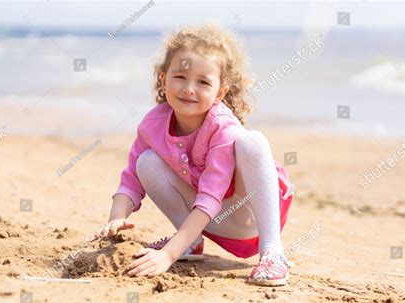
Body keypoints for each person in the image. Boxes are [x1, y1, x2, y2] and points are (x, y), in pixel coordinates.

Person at [92, 23, 294, 286]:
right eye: (180, 77)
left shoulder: (222, 127)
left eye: (202, 82)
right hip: (209, 222)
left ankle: (273, 254)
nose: (189, 88)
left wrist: (167, 254)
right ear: (163, 80)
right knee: (147, 162)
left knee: (252, 141)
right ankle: (190, 243)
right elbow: (131, 179)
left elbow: (210, 197)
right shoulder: (152, 123)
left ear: (220, 92)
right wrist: (116, 218)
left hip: (251, 218)